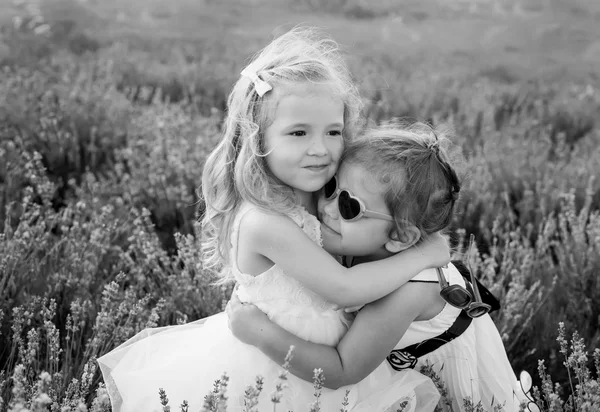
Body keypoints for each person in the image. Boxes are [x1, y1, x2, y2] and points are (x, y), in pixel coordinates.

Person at [97, 28, 447, 412]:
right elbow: (343, 289)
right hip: (274, 369)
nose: (320, 149)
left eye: (333, 131)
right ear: (257, 139)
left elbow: (358, 242)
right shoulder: (264, 221)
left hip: (326, 358)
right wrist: (423, 255)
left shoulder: (320, 194)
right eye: (298, 132)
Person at [228, 123, 526, 412]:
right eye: (331, 187)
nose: (327, 207)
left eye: (349, 206)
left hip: (451, 384)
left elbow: (343, 369)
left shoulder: (408, 291)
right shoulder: (358, 241)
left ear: (400, 237)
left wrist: (260, 333)